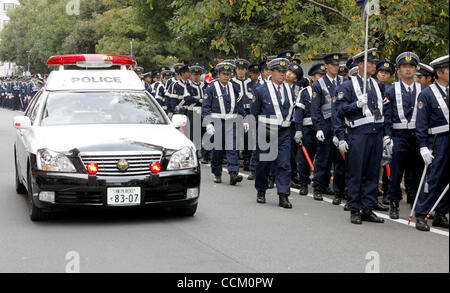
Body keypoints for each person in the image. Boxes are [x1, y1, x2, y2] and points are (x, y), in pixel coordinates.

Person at [335, 48, 392, 225]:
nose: (374, 66)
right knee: (356, 172)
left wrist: (385, 135)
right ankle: (354, 208)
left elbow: (382, 110)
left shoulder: (376, 85)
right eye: (371, 63)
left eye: (375, 63)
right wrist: (356, 104)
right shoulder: (347, 86)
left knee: (373, 172)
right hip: (358, 133)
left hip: (375, 132)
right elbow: (340, 111)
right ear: (361, 64)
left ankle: (368, 207)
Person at [385, 52, 425, 219]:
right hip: (398, 134)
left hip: (417, 136)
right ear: (399, 70)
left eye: (411, 67)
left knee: (415, 170)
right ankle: (394, 203)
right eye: (404, 67)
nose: (408, 70)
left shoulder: (423, 90)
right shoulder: (391, 89)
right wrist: (386, 136)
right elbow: (387, 115)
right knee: (396, 171)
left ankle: (414, 201)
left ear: (415, 69)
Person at [251, 58, 295, 208]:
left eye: (284, 72)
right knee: (264, 163)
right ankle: (261, 190)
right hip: (267, 130)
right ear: (271, 72)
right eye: (279, 72)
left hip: (284, 131)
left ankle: (283, 195)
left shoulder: (290, 89)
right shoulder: (261, 90)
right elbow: (254, 113)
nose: (282, 75)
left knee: (284, 164)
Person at [414, 55, 449, 231]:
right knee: (433, 178)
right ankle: (421, 213)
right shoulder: (427, 94)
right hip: (437, 141)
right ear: (440, 72)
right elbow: (421, 122)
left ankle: (441, 212)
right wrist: (423, 146)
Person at [202, 62, 247, 185]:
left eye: (228, 74)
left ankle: (233, 173)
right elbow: (205, 107)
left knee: (232, 147)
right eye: (224, 74)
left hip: (231, 122)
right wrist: (208, 124)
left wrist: (244, 119)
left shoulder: (234, 87)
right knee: (218, 149)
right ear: (218, 74)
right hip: (217, 122)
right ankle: (217, 172)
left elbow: (239, 105)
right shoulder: (211, 87)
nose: (226, 76)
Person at [310, 53, 344, 200]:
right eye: (332, 65)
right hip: (325, 125)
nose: (335, 67)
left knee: (340, 159)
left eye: (337, 65)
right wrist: (317, 128)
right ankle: (318, 185)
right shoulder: (319, 84)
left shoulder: (344, 81)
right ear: (326, 66)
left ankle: (338, 189)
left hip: (340, 125)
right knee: (323, 158)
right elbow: (315, 108)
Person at [293, 63, 325, 195]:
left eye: (323, 75)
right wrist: (298, 130)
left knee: (323, 159)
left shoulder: (327, 91)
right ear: (312, 77)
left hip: (323, 129)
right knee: (305, 159)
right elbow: (299, 113)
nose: (321, 78)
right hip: (307, 129)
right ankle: (303, 183)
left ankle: (320, 186)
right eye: (319, 75)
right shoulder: (304, 92)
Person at [231, 59, 254, 171]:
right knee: (236, 136)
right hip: (237, 112)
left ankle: (246, 159)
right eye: (238, 69)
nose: (240, 71)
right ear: (235, 70)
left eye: (242, 69)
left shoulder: (251, 82)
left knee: (247, 137)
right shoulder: (231, 83)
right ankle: (234, 159)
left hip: (249, 112)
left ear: (246, 70)